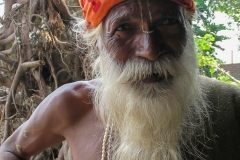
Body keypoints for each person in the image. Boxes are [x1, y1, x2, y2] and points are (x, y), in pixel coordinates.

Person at [1, 0, 240, 159]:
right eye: (124, 27)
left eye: (168, 22)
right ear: (98, 43)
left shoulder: (231, 106)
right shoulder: (73, 104)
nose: (150, 50)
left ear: (188, 29)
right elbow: (12, 149)